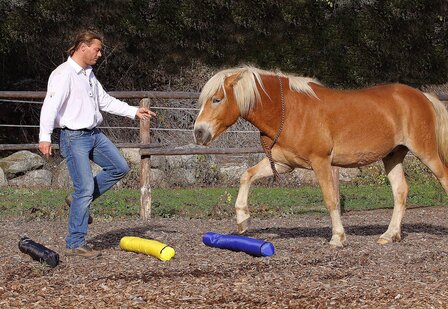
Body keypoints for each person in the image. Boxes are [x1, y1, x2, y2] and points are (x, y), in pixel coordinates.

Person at [38, 30, 156, 258]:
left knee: (119, 167)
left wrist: (133, 111)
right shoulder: (63, 74)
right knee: (84, 188)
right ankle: (75, 243)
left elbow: (105, 100)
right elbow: (49, 107)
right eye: (97, 49)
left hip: (94, 135)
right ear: (83, 46)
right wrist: (45, 137)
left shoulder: (88, 74)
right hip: (73, 138)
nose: (100, 54)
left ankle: (77, 201)